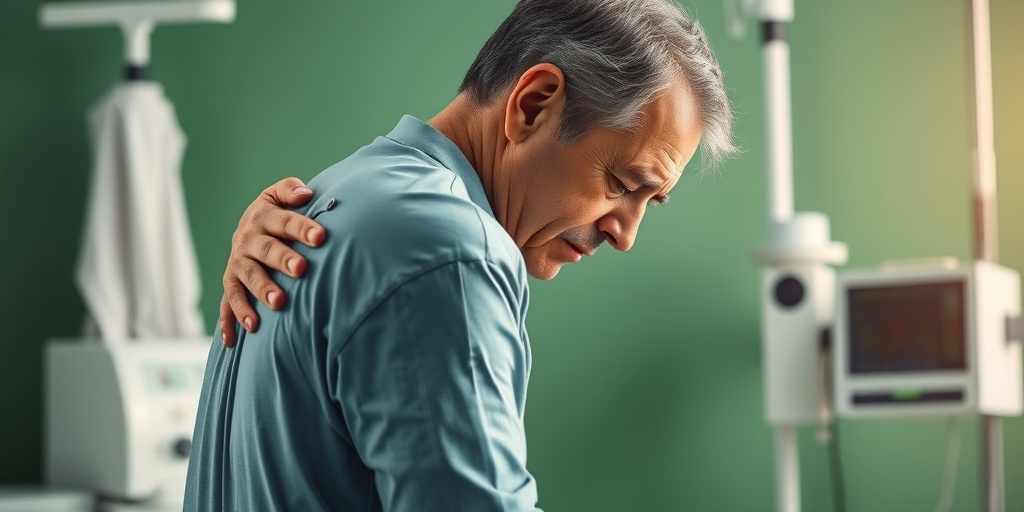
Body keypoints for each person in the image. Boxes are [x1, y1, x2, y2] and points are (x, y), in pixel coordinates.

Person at [186, 0, 735, 510]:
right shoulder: (450, 253)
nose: (625, 234)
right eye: (620, 182)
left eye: (650, 201)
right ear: (533, 103)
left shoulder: (338, 194)